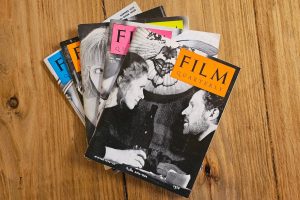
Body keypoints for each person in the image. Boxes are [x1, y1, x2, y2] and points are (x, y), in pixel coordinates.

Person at [86, 52, 149, 168]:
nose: (142, 96)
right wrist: (119, 156)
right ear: (121, 81)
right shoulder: (96, 106)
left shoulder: (112, 114)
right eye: (141, 87)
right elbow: (88, 147)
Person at [161, 89, 224, 188]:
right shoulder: (202, 146)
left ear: (212, 114)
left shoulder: (214, 151)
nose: (183, 112)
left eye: (192, 106)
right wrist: (174, 165)